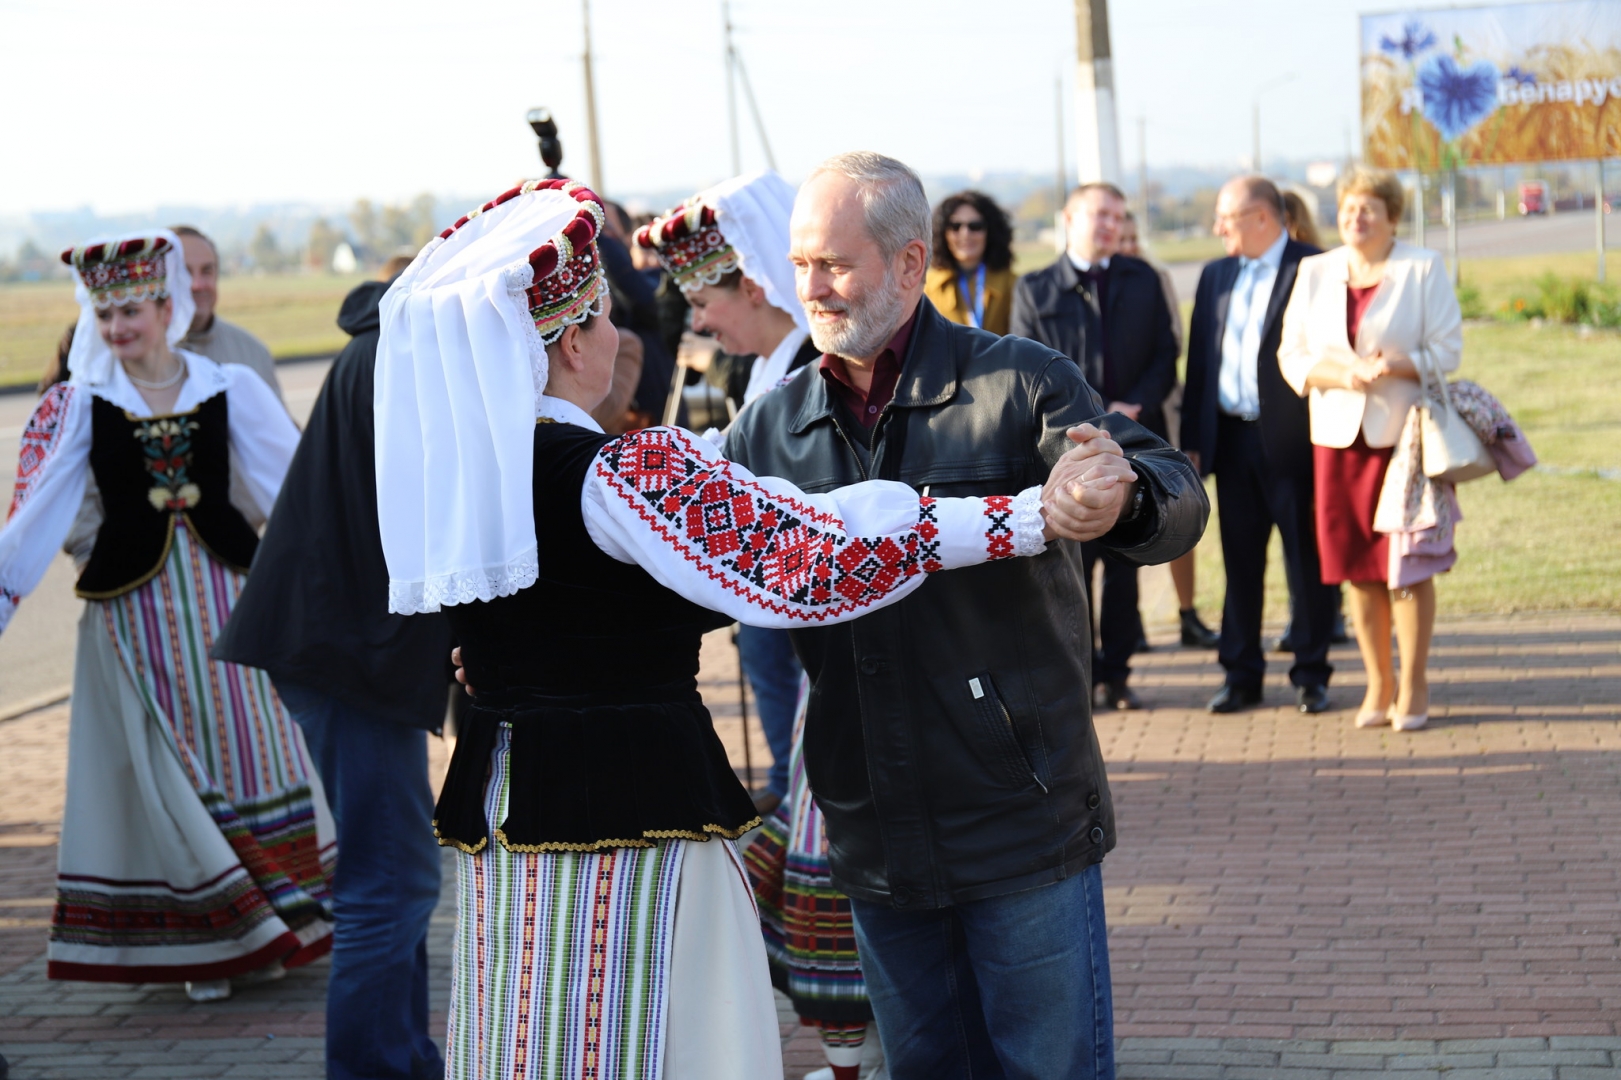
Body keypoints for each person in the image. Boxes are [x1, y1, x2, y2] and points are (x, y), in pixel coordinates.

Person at [376, 179, 1097, 1079]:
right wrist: (1029, 516)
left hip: (513, 801)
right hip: (632, 802)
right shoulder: (617, 472)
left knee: (540, 1030)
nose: (620, 339)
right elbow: (812, 553)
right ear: (565, 347)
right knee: (659, 1030)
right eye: (602, 322)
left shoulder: (471, 482)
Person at [726, 152, 1206, 1079]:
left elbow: (1173, 491)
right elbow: (693, 581)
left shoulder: (1020, 383)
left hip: (1020, 820)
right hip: (872, 834)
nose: (812, 288)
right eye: (799, 265)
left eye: (834, 262)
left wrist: (1119, 496)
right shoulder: (771, 430)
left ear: (910, 264)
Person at [0, 231, 331, 1001]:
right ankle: (210, 939)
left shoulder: (225, 385)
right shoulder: (81, 403)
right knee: (167, 767)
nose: (118, 328)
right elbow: (34, 517)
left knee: (249, 751)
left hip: (222, 597)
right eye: (105, 313)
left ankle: (274, 916)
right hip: (134, 613)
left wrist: (343, 570)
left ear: (164, 305)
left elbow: (293, 484)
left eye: (131, 311)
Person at [210, 254, 451, 1080]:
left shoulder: (396, 341)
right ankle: (376, 1068)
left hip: (345, 642)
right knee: (391, 882)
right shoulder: (405, 353)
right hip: (346, 647)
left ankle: (407, 1058)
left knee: (396, 876)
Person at [635, 171, 820, 816]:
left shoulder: (812, 370)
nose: (699, 321)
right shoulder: (769, 364)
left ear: (751, 286)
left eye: (703, 301)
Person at [1278, 166, 1463, 732]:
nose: (1356, 218)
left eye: (1368, 209)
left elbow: (1448, 350)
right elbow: (1293, 355)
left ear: (1391, 217)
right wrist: (1341, 373)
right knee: (1356, 569)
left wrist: (1393, 366)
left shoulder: (1422, 266)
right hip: (1337, 441)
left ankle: (1415, 682)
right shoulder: (1315, 270)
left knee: (1406, 566)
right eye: (1348, 209)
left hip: (1401, 440)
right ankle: (1378, 682)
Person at [1011, 181, 1183, 711]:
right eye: (1098, 214)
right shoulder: (1035, 289)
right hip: (1064, 452)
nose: (1109, 223)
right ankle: (1079, 677)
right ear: (1069, 218)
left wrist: (1132, 407)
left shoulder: (1144, 280)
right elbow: (1021, 372)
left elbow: (1166, 352)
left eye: (1117, 215)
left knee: (1127, 563)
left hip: (1133, 444)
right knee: (1072, 570)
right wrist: (1084, 421)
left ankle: (1120, 673)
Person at [1182, 177, 1337, 715]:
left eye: (1227, 216)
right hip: (1231, 441)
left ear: (1263, 218)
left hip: (1296, 442)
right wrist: (1194, 443)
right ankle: (1241, 674)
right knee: (1239, 564)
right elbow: (1200, 362)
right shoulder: (1215, 274)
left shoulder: (1314, 267)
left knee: (1307, 561)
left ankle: (1311, 673)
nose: (1218, 227)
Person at [1117, 210, 1219, 650]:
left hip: (1158, 412)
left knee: (1173, 510)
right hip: (1107, 416)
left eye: (1128, 235)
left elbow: (1171, 343)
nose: (1122, 243)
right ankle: (1128, 621)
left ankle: (1187, 610)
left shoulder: (1152, 278)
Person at [171, 225, 281, 398]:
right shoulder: (136, 357)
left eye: (207, 271)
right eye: (184, 272)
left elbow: (278, 423)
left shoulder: (253, 353)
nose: (197, 285)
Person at [923, 190, 1017, 335]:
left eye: (975, 226)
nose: (965, 234)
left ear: (990, 231)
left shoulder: (1014, 285)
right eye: (955, 226)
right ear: (943, 232)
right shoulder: (924, 288)